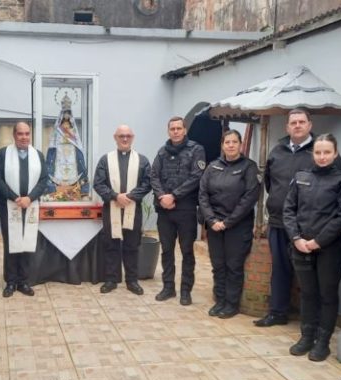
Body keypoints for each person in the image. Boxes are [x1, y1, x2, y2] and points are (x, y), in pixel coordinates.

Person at [255, 108, 341, 327]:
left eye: (301, 122)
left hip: (310, 229)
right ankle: (277, 312)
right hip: (279, 221)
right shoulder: (277, 151)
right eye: (293, 122)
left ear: (309, 125)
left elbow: (337, 186)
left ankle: (313, 326)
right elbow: (269, 182)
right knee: (280, 269)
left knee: (313, 278)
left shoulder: (320, 151)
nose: (297, 125)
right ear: (287, 127)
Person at [283, 134, 341, 361]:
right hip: (301, 246)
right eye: (318, 152)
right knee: (308, 293)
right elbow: (289, 210)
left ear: (335, 153)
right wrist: (296, 238)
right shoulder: (301, 177)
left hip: (329, 248)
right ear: (313, 154)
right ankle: (306, 337)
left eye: (327, 152)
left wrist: (318, 241)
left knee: (327, 295)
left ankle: (323, 342)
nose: (322, 157)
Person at [199, 129, 260, 318]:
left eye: (234, 142)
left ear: (240, 145)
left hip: (237, 226)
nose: (231, 145)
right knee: (218, 265)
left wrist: (228, 222)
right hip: (215, 224)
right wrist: (212, 220)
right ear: (222, 145)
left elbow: (250, 197)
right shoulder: (213, 167)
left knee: (233, 266)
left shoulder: (249, 167)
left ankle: (231, 304)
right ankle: (220, 301)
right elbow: (203, 195)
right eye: (227, 142)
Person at [150, 116, 206, 306]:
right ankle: (168, 288)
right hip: (164, 210)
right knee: (167, 251)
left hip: (185, 209)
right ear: (169, 131)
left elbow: (196, 176)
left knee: (187, 251)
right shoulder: (161, 151)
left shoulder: (196, 150)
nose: (175, 131)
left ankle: (185, 291)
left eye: (178, 128)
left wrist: (173, 196)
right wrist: (161, 197)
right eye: (172, 128)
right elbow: (154, 176)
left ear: (185, 130)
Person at [92, 125, 152, 295]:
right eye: (121, 136)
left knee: (132, 245)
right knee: (111, 245)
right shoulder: (106, 160)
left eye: (128, 136)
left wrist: (130, 196)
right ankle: (111, 280)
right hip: (112, 208)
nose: (125, 139)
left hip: (134, 209)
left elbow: (147, 183)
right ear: (115, 138)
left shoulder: (142, 160)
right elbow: (98, 183)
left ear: (132, 137)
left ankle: (132, 281)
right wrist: (115, 196)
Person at [0, 122, 48, 297]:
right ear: (14, 135)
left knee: (27, 244)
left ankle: (24, 281)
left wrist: (29, 198)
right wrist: (15, 197)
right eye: (20, 134)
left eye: (27, 134)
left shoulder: (37, 155)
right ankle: (10, 282)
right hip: (11, 206)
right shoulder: (3, 154)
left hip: (30, 206)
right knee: (11, 244)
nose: (24, 137)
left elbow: (43, 180)